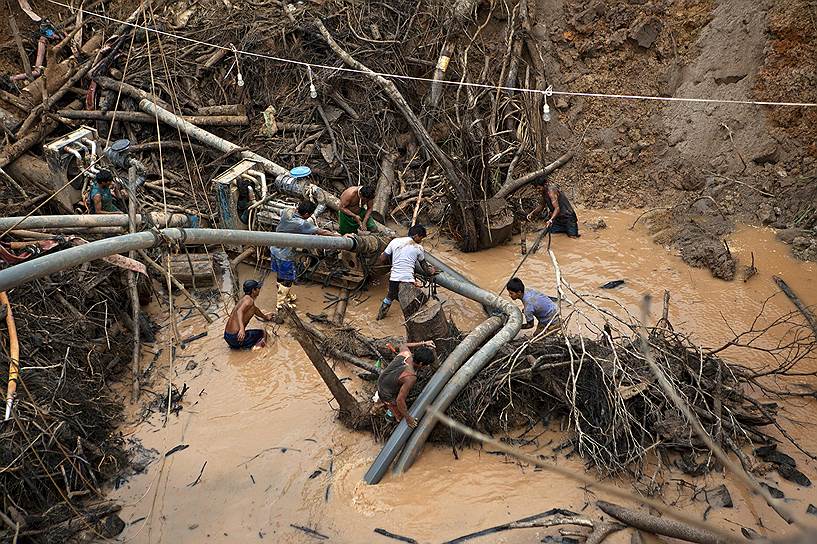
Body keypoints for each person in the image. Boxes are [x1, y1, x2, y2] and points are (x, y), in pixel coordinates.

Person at [270, 200, 343, 311]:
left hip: (274, 248)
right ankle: (280, 304)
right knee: (288, 279)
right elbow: (320, 231)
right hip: (285, 254)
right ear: (307, 214)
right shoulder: (301, 224)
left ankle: (286, 295)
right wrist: (336, 235)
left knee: (281, 275)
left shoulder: (287, 211)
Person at [376, 224, 437, 320]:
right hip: (408, 279)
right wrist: (432, 271)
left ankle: (379, 318)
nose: (420, 241)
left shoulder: (394, 241)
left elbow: (382, 258)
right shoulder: (418, 248)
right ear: (416, 236)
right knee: (412, 301)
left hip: (394, 278)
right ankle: (414, 320)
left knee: (389, 297)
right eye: (421, 238)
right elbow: (424, 267)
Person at [376, 340, 436, 427]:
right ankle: (390, 417)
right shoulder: (410, 377)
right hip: (386, 393)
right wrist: (408, 419)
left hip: (382, 380)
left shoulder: (406, 353)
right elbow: (400, 400)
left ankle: (379, 404)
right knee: (399, 416)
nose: (427, 367)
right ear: (421, 363)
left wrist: (423, 343)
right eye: (426, 365)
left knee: (390, 391)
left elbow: (403, 344)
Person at [224, 280, 273, 350]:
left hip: (227, 336)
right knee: (263, 333)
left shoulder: (244, 299)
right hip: (235, 337)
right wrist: (241, 329)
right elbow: (239, 311)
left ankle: (239, 346)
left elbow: (255, 310)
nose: (259, 290)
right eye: (258, 288)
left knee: (253, 309)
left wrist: (265, 317)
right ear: (253, 290)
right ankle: (256, 348)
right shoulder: (249, 300)